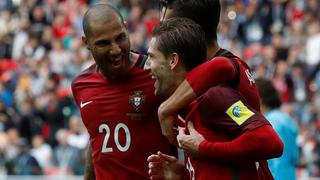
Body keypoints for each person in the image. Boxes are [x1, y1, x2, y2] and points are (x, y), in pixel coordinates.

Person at [146, 17, 283, 179]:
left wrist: (203, 148)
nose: (147, 65)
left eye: (152, 57)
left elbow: (270, 141)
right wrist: (183, 175)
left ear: (173, 60)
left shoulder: (214, 95)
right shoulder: (187, 106)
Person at [71, 4, 173, 180]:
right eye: (104, 43)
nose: (116, 49)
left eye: (120, 38)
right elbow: (96, 137)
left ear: (126, 27)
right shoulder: (81, 85)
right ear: (86, 42)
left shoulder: (156, 73)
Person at [256, 78, 299, 180]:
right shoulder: (286, 118)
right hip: (289, 175)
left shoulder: (270, 122)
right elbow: (294, 156)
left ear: (260, 98)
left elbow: (276, 161)